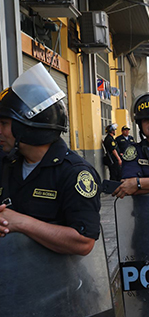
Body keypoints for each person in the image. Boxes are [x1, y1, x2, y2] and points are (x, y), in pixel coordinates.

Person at [0, 64, 100, 256]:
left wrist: (21, 223)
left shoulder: (74, 172)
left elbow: (83, 243)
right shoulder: (6, 164)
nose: (0, 131)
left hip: (58, 275)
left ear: (27, 126)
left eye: (4, 123)